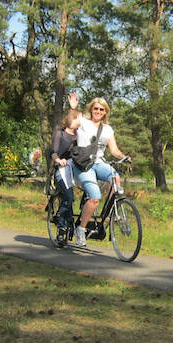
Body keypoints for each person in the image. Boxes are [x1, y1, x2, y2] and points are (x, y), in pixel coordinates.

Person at [68, 92, 128, 247]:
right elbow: (71, 123)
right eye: (96, 108)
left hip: (99, 163)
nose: (98, 112)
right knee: (94, 197)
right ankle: (81, 230)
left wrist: (124, 156)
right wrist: (72, 108)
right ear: (91, 109)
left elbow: (114, 150)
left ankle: (108, 215)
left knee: (116, 179)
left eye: (102, 110)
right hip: (83, 165)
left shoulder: (107, 129)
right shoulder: (83, 122)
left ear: (105, 112)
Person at [50, 109, 82, 246]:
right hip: (62, 170)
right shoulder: (60, 134)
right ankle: (61, 228)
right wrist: (59, 161)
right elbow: (54, 153)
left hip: (74, 171)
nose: (81, 122)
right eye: (78, 119)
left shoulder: (79, 136)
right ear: (71, 119)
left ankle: (81, 224)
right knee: (69, 197)